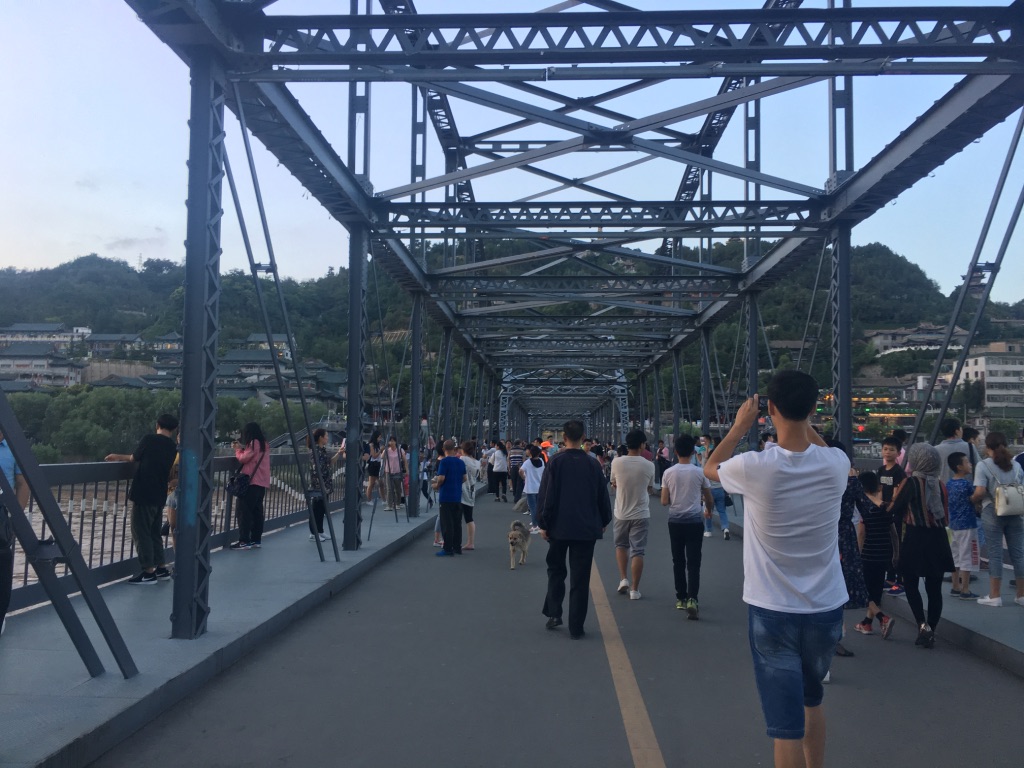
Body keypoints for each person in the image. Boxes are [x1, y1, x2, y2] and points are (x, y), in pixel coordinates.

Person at [704, 371, 849, 768]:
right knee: (811, 700)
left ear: (769, 410)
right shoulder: (837, 464)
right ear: (814, 408)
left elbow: (711, 467)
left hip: (772, 609)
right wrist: (806, 423)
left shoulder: (754, 466)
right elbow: (822, 449)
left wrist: (739, 427)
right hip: (825, 608)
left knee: (785, 726)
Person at [538, 419, 613, 639]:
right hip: (585, 528)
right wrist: (604, 520)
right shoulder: (593, 464)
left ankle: (554, 613)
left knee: (556, 570)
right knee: (580, 578)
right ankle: (576, 627)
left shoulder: (555, 462)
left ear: (564, 437)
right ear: (583, 437)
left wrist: (543, 523)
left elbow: (547, 496)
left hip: (558, 527)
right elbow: (602, 495)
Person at [890, 443, 955, 646]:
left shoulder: (911, 482)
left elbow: (895, 508)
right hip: (938, 540)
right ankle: (931, 630)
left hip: (915, 538)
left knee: (910, 583)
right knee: (934, 588)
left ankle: (922, 625)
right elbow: (945, 515)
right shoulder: (941, 485)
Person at [105, 414, 179, 583]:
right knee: (154, 532)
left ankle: (148, 571)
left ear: (157, 425)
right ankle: (161, 568)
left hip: (144, 491)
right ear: (174, 429)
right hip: (160, 493)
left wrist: (116, 456)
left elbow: (134, 458)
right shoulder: (173, 446)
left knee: (141, 531)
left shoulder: (149, 439)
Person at [660, 435, 713, 619]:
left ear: (675, 451)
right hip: (695, 522)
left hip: (675, 522)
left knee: (678, 561)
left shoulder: (668, 473)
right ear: (692, 452)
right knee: (694, 562)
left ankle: (681, 598)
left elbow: (664, 501)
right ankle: (693, 599)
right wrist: (708, 511)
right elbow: (709, 498)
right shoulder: (699, 472)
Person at [970, 432, 1024, 607]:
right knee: (1019, 554)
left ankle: (995, 596)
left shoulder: (983, 465)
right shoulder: (1016, 465)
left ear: (987, 447)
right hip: (1015, 512)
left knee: (995, 553)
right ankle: (1021, 595)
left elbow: (980, 492)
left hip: (992, 511)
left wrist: (971, 500)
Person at [851, 471, 898, 640]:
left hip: (868, 555)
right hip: (884, 554)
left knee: (864, 591)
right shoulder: (886, 507)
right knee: (876, 590)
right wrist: (896, 553)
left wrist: (857, 555)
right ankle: (866, 623)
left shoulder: (863, 507)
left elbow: (861, 533)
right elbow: (894, 533)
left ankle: (882, 618)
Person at [610, 428, 655, 600]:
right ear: (642, 445)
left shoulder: (616, 462)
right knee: (638, 551)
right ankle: (635, 590)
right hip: (641, 513)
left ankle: (623, 579)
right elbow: (650, 488)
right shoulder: (649, 465)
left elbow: (614, 482)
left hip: (621, 513)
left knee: (621, 546)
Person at [1, 428, 30, 635]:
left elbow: (22, 483)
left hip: (1, 517)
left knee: (2, 568)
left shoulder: (14, 448)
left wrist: (15, 519)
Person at [230, 422, 270, 550]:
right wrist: (242, 448)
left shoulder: (253, 443)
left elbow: (244, 459)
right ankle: (256, 540)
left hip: (251, 482)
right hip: (262, 482)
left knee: (244, 512)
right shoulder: (264, 444)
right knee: (257, 512)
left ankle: (244, 541)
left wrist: (237, 450)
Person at [945, 452, 979, 599]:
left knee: (955, 556)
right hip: (967, 524)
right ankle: (965, 589)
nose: (970, 464)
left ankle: (955, 586)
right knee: (967, 556)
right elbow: (974, 499)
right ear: (959, 467)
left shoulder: (949, 484)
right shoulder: (966, 484)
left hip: (953, 524)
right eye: (967, 462)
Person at [878, 435, 907, 596]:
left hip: (895, 513)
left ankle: (900, 580)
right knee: (887, 545)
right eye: (885, 449)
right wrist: (879, 506)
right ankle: (889, 577)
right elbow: (880, 490)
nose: (888, 452)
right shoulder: (881, 470)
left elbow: (897, 494)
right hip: (884, 512)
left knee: (897, 546)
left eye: (891, 450)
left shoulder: (899, 472)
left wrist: (889, 507)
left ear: (898, 453)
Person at [432, 440, 466, 557]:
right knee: (457, 523)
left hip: (446, 496)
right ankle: (457, 547)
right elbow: (464, 478)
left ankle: (447, 549)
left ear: (443, 449)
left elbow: (441, 478)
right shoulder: (460, 462)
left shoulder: (444, 462)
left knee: (447, 524)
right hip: (457, 496)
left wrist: (436, 486)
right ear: (454, 448)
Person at [308, 428, 342, 541]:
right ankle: (313, 533)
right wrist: (319, 482)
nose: (327, 438)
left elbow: (329, 463)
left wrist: (339, 453)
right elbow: (316, 468)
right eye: (326, 436)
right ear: (321, 438)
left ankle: (320, 531)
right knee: (316, 508)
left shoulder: (322, 450)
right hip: (318, 484)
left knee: (322, 508)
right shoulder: (315, 450)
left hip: (325, 483)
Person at [459, 440, 483, 550]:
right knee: (469, 518)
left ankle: (454, 541)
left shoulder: (462, 459)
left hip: (461, 490)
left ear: (463, 450)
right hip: (471, 491)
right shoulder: (477, 462)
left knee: (457, 518)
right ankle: (471, 542)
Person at [935, 417, 970, 484]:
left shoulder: (936, 450)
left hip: (944, 487)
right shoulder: (969, 447)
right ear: (957, 431)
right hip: (967, 488)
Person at [521, 445, 546, 533]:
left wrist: (524, 477)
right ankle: (539, 524)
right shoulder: (541, 461)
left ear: (530, 453)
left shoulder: (527, 462)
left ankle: (535, 526)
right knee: (539, 507)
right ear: (539, 453)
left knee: (533, 507)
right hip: (540, 487)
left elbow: (521, 471)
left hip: (530, 488)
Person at [381, 435, 406, 512]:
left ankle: (397, 503)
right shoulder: (387, 450)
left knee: (398, 489)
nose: (391, 442)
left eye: (393, 441)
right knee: (389, 489)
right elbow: (382, 457)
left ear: (395, 442)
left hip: (397, 471)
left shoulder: (400, 450)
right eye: (390, 441)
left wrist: (406, 470)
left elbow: (404, 460)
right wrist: (384, 449)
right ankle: (389, 505)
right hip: (388, 471)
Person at [364, 430, 383, 506]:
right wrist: (380, 450)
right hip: (373, 464)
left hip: (378, 464)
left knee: (381, 483)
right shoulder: (371, 445)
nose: (380, 439)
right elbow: (374, 455)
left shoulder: (377, 445)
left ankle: (384, 499)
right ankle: (368, 499)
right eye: (379, 437)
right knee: (371, 483)